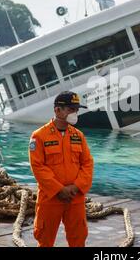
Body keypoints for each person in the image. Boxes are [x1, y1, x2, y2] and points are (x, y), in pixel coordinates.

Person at [29, 91, 93, 247]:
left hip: (75, 197)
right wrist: (59, 189)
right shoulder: (39, 136)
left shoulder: (79, 136)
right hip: (50, 198)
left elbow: (87, 164)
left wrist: (76, 186)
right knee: (44, 239)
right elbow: (38, 166)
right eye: (71, 109)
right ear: (57, 110)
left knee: (78, 239)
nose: (74, 113)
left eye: (76, 109)